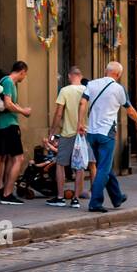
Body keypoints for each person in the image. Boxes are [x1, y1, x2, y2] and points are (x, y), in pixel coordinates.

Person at [77, 61, 137, 213]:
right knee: (103, 169)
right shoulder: (118, 89)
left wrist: (80, 123)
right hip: (106, 132)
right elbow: (130, 110)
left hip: (92, 132)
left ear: (105, 70)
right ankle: (95, 202)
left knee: (105, 166)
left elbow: (82, 103)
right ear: (118, 74)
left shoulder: (92, 84)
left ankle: (117, 197)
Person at [0, 61, 32, 205]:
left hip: (4, 124)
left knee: (10, 158)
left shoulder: (5, 81)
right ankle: (7, 194)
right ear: (22, 71)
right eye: (25, 74)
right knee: (18, 158)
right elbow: (8, 104)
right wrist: (24, 112)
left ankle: (5, 190)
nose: (24, 77)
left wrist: (20, 109)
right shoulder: (9, 81)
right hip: (9, 125)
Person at [48, 66, 87, 207]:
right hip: (83, 133)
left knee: (60, 164)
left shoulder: (65, 91)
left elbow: (59, 113)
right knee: (80, 166)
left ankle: (60, 197)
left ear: (70, 76)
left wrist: (52, 131)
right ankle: (76, 198)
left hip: (67, 132)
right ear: (80, 76)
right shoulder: (87, 90)